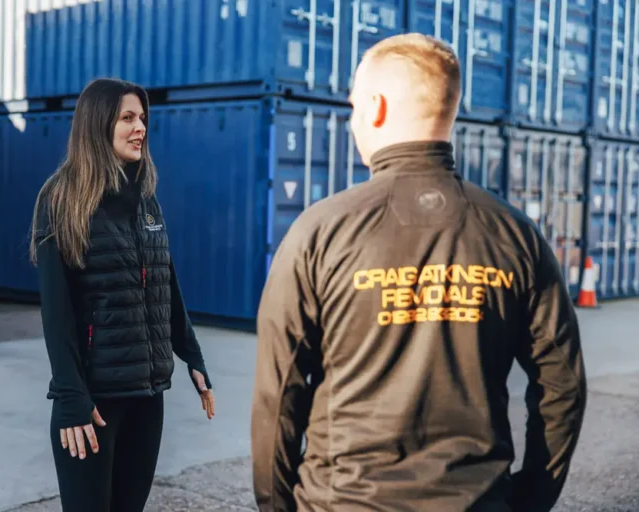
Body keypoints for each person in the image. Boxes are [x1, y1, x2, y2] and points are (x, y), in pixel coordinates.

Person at [251, 33, 587, 512]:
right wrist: (525, 501)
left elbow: (278, 395)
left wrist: (276, 507)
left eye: (353, 108)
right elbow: (563, 386)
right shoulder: (517, 236)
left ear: (377, 107)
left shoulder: (318, 233)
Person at [29, 78, 215, 512]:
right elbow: (56, 313)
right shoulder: (61, 198)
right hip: (93, 402)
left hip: (147, 397)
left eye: (143, 118)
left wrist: (193, 355)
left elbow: (166, 286)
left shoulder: (146, 200)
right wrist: (73, 397)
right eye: (128, 118)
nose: (140, 128)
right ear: (98, 125)